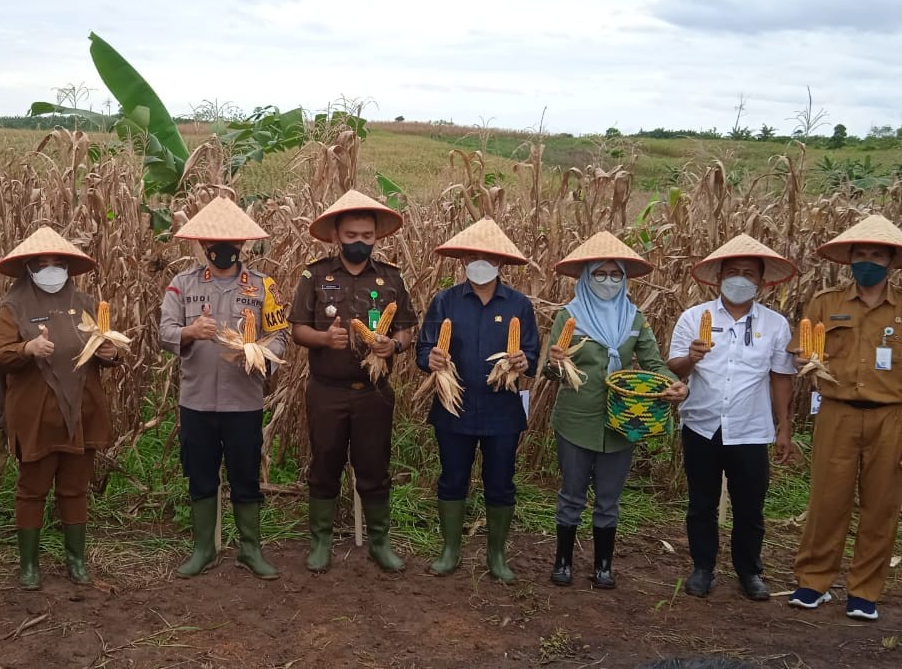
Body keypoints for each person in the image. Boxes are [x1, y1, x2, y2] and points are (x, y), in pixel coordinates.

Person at [541, 231, 686, 589]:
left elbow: (654, 363)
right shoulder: (569, 316)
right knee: (571, 493)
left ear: (624, 278)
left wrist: (674, 384)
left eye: (615, 274)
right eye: (600, 274)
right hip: (576, 417)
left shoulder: (634, 319)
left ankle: (604, 566)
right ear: (587, 277)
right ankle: (563, 562)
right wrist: (557, 363)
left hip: (624, 417)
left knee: (609, 497)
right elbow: (550, 369)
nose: (608, 281)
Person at [158, 195, 288, 579]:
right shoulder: (182, 286)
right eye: (214, 242)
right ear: (202, 245)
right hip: (197, 400)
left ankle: (250, 549)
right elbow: (163, 331)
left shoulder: (264, 286)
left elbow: (279, 334)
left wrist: (261, 353)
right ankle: (204, 549)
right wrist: (190, 332)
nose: (223, 249)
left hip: (243, 401)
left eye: (232, 241)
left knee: (245, 474)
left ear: (243, 244)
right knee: (200, 473)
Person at [290, 189, 418, 573]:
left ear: (376, 237)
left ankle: (380, 543)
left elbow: (408, 330)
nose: (360, 243)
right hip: (326, 391)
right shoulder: (315, 275)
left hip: (373, 394)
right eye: (351, 236)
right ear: (336, 237)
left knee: (375, 467)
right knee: (324, 464)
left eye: (366, 236)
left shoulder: (391, 278)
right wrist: (324, 338)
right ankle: (321, 542)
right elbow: (297, 329)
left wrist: (392, 345)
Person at [667, 234, 798, 601]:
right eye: (733, 272)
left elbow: (780, 378)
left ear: (761, 282)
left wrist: (783, 427)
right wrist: (691, 358)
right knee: (702, 502)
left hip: (751, 429)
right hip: (701, 423)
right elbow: (674, 366)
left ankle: (749, 571)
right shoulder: (694, 317)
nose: (740, 279)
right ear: (719, 277)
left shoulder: (775, 325)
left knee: (750, 506)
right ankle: (702, 567)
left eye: (748, 274)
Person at [0, 227, 119, 587]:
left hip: (81, 412)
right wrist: (26, 350)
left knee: (75, 488)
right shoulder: (13, 308)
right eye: (41, 263)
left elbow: (103, 346)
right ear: (29, 268)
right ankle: (29, 566)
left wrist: (110, 354)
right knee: (32, 488)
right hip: (36, 417)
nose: (51, 269)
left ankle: (76, 561)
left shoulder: (87, 304)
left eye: (57, 263)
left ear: (67, 267)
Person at [788, 214, 902, 621]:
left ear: (890, 261)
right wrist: (805, 358)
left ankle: (864, 591)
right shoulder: (825, 303)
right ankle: (813, 582)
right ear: (849, 259)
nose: (868, 261)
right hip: (836, 411)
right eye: (861, 254)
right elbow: (801, 351)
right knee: (827, 500)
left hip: (892, 417)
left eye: (877, 255)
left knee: (881, 505)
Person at [416, 218, 538, 580]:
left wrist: (522, 360)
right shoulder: (445, 302)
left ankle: (496, 556)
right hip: (455, 407)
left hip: (502, 410)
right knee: (453, 478)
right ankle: (450, 549)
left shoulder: (518, 305)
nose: (478, 260)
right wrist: (431, 360)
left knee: (500, 481)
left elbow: (531, 352)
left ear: (500, 262)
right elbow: (424, 349)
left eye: (486, 256)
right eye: (472, 254)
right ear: (462, 260)